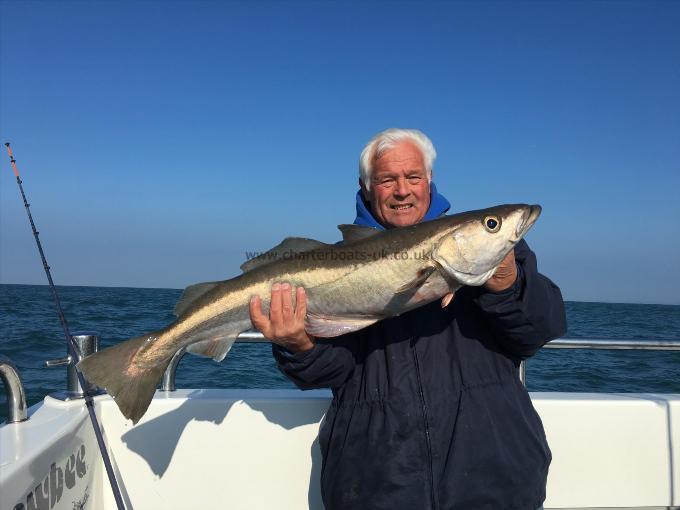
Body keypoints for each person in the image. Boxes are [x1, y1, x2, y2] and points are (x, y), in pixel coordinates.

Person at [249, 128, 567, 510]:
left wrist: (508, 285)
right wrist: (298, 345)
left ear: (429, 182)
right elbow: (327, 372)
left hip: (494, 478)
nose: (403, 190)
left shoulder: (503, 256)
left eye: (413, 177)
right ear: (366, 188)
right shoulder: (332, 264)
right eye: (387, 180)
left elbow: (538, 332)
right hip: (376, 485)